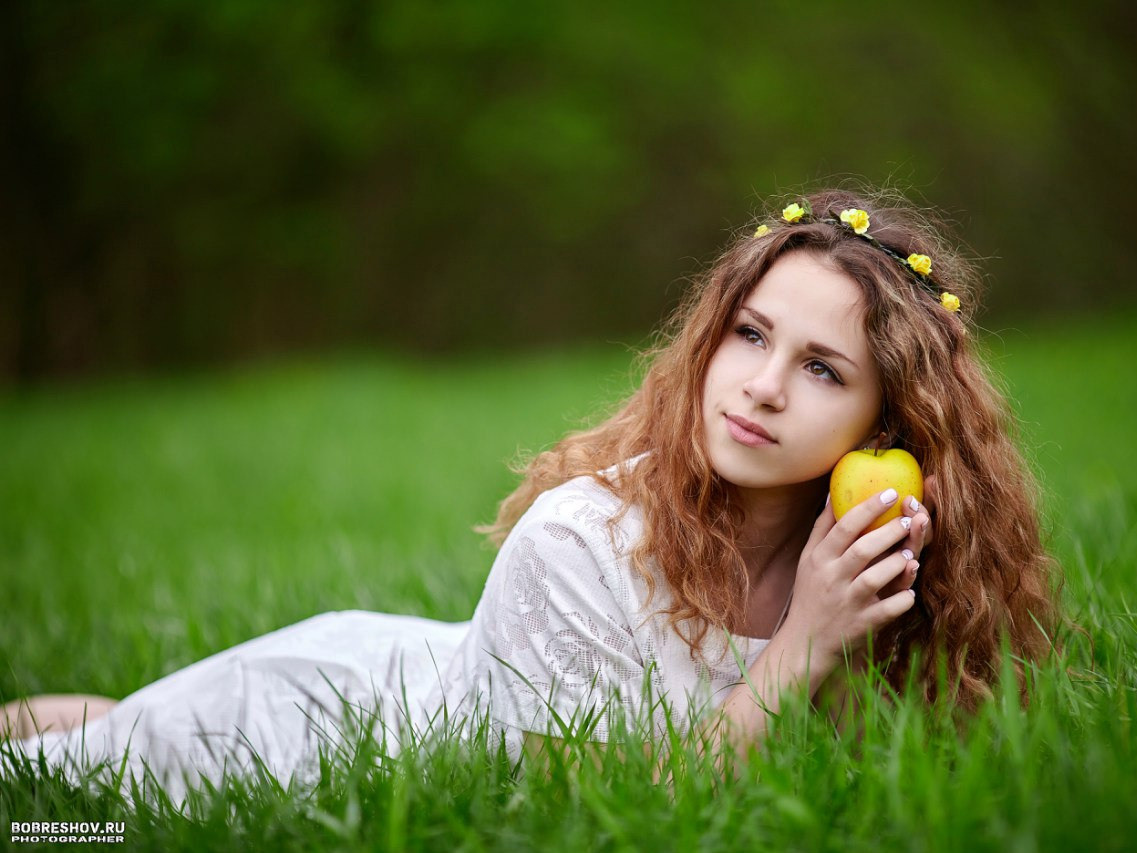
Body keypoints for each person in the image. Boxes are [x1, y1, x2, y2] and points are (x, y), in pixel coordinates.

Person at [2, 185, 1062, 808]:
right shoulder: (580, 539)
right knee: (78, 802)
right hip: (316, 736)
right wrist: (801, 647)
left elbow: (854, 782)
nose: (762, 386)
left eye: (822, 368)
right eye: (748, 333)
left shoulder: (867, 552)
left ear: (887, 427)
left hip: (424, 673)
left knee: (106, 727)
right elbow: (588, 808)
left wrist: (844, 620)